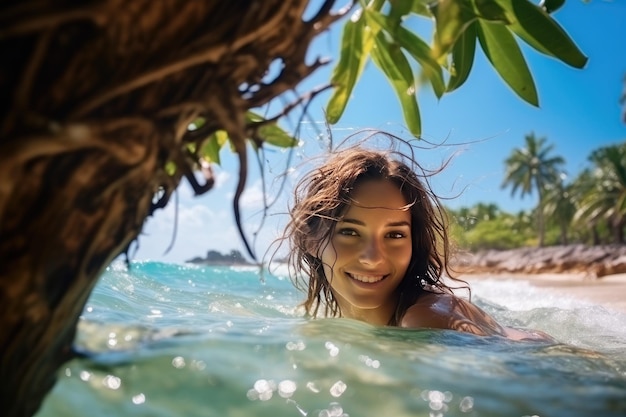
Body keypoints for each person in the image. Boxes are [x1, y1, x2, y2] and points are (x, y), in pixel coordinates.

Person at [280, 138, 551, 341]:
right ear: (310, 240)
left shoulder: (423, 320)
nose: (373, 256)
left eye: (395, 235)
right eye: (350, 232)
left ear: (413, 244)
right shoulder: (332, 322)